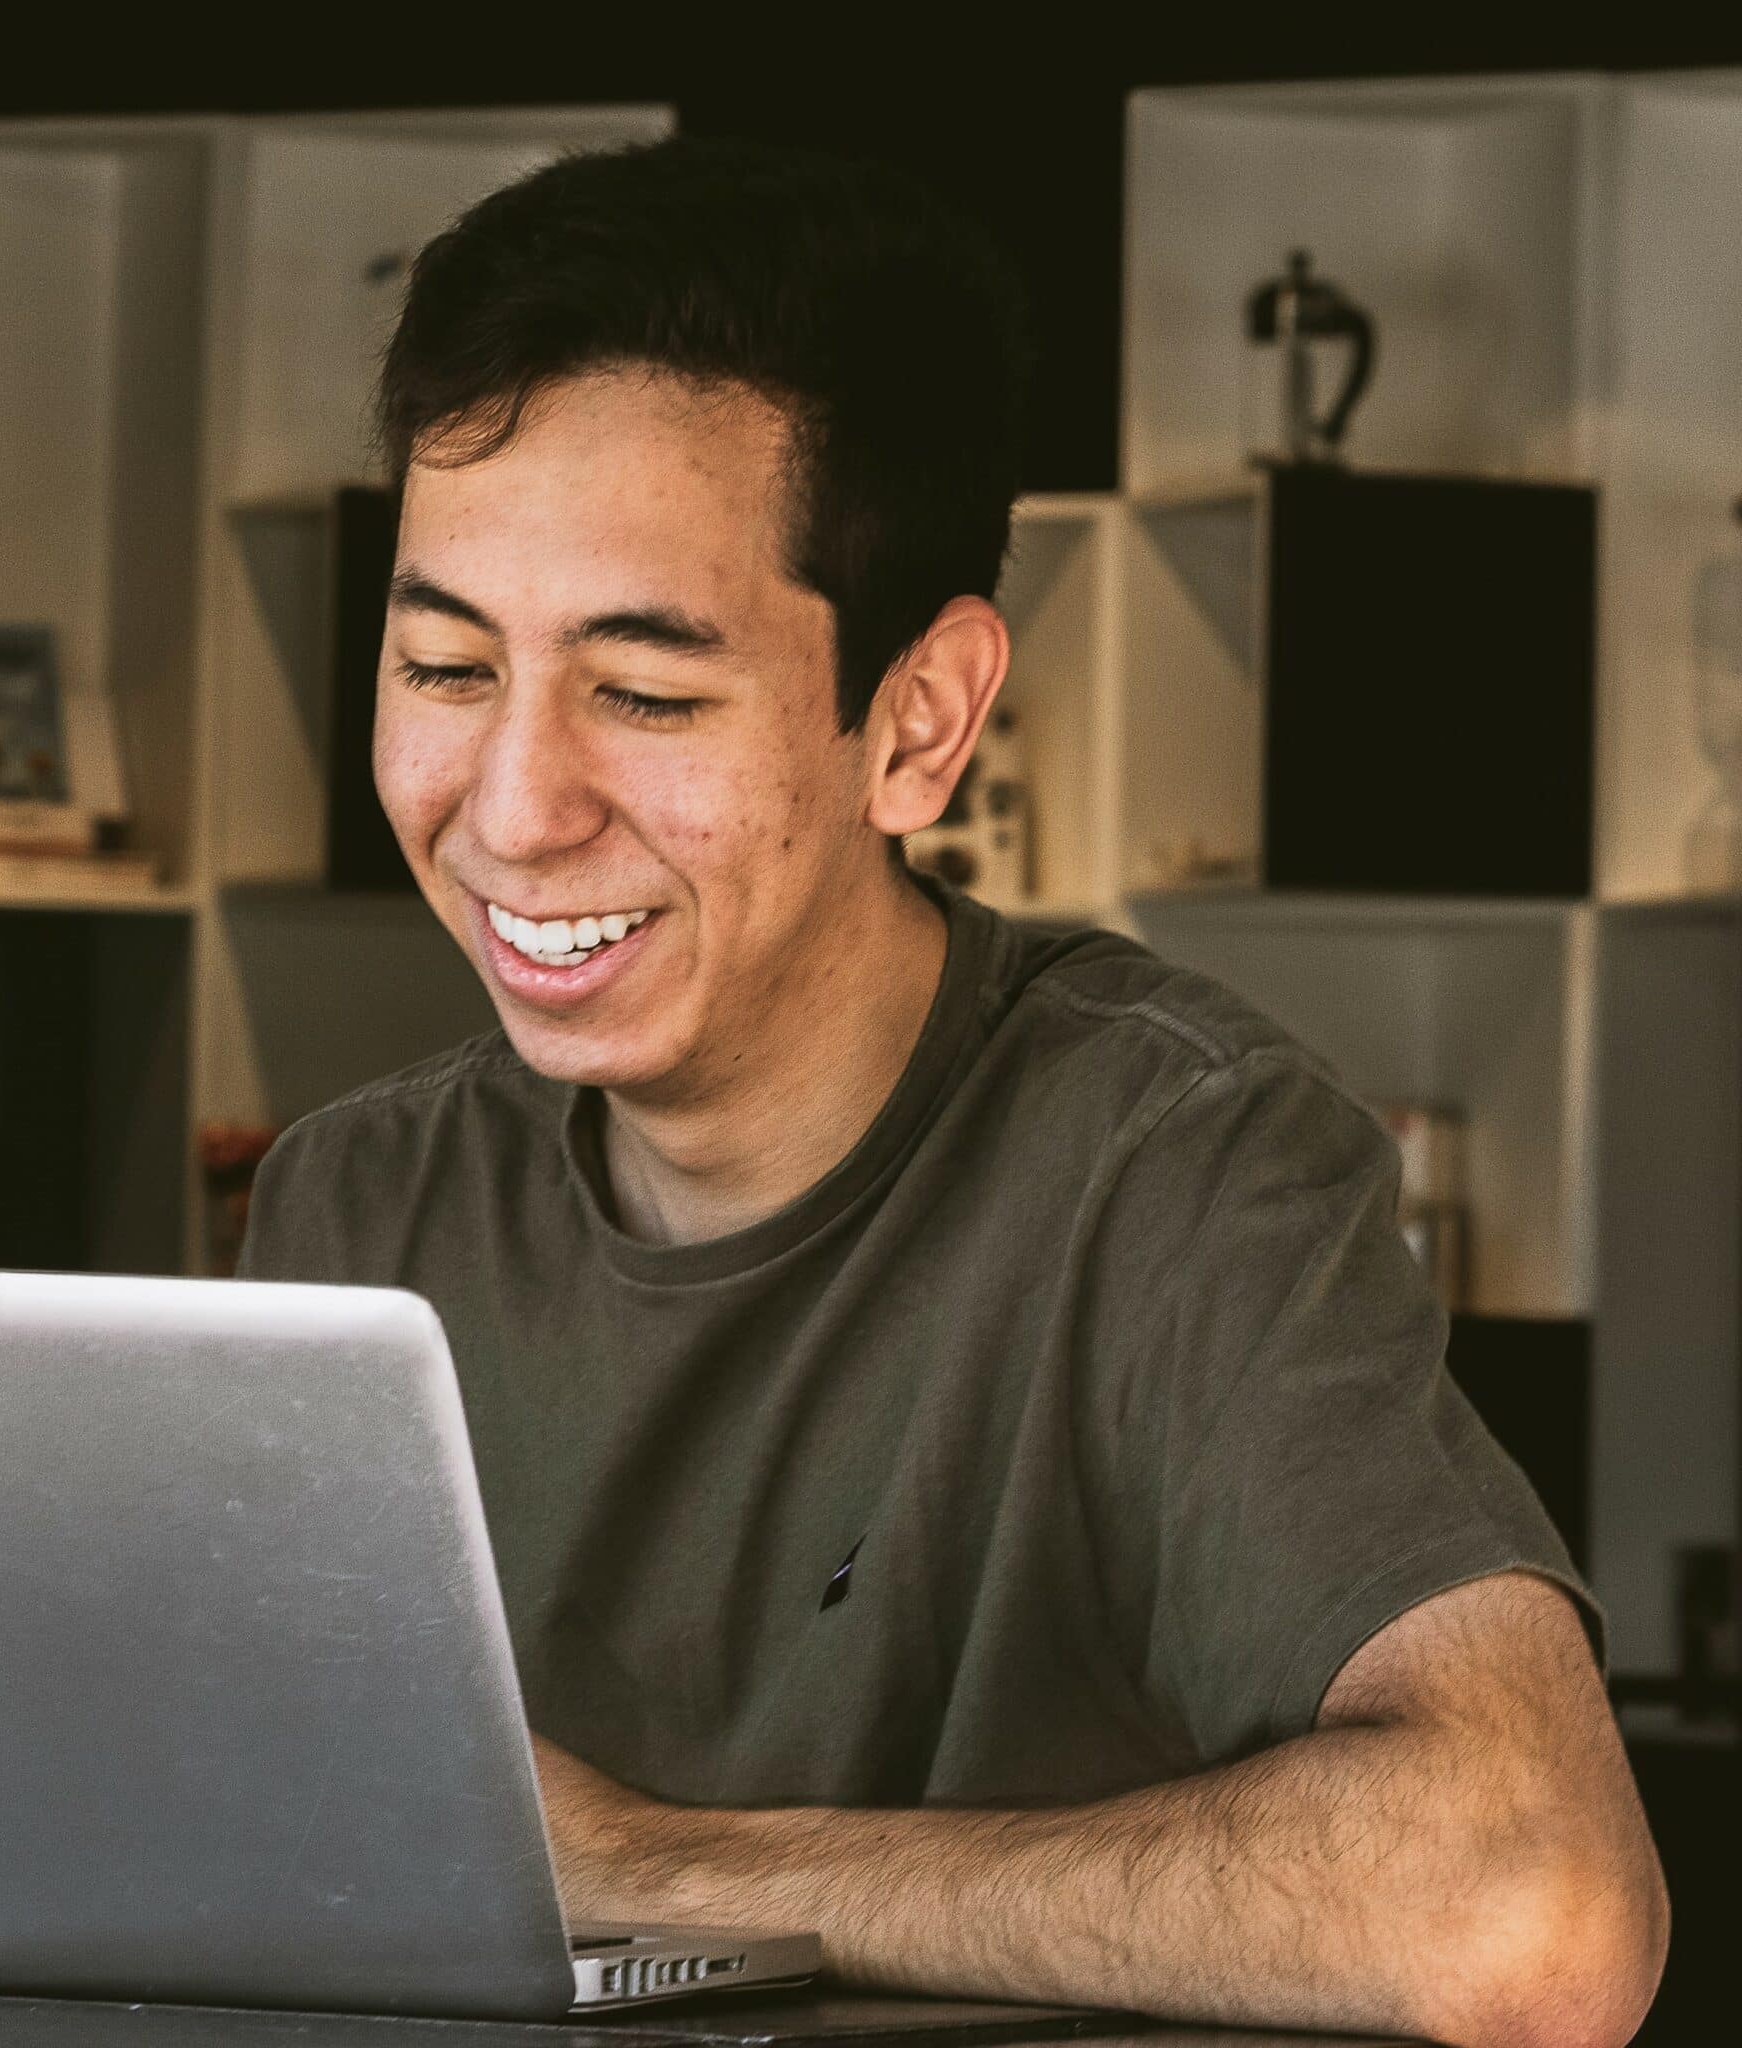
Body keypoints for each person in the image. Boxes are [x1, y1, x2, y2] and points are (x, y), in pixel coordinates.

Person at [238, 138, 1667, 2045]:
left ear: (920, 721)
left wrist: (665, 1872)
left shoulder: (1180, 1167)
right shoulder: (357, 1204)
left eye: (645, 697)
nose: (511, 809)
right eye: (441, 664)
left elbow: (1535, 1910)